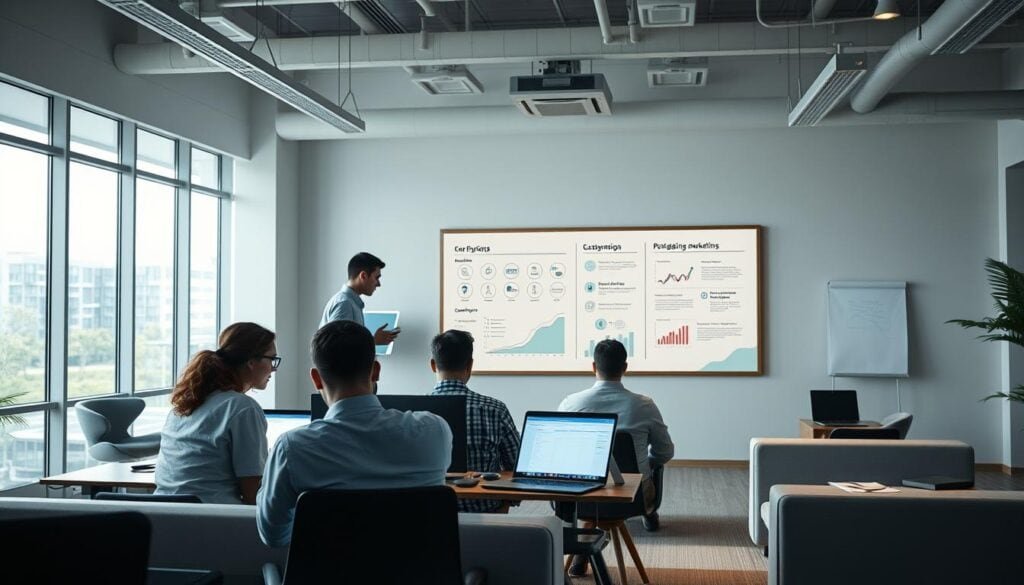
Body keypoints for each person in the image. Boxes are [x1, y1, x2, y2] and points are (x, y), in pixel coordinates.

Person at [257, 320, 451, 548]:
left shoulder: (292, 448)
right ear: (376, 371)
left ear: (316, 379)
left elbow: (273, 536)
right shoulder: (434, 430)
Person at [154, 322, 279, 504]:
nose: (274, 368)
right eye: (272, 359)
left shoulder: (184, 405)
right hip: (213, 516)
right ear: (251, 362)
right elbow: (253, 494)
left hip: (162, 514)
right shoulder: (243, 408)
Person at [559, 339, 674, 529]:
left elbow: (559, 453)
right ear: (625, 368)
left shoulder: (570, 404)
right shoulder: (644, 405)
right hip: (634, 497)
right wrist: (644, 464)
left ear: (593, 367)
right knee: (648, 474)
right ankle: (648, 513)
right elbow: (665, 451)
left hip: (581, 496)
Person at [428, 330, 520, 513]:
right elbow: (517, 466)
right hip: (488, 516)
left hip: (433, 517)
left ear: (433, 365)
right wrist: (506, 504)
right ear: (470, 365)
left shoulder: (415, 412)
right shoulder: (495, 409)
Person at [319, 252, 400, 346]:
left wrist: (373, 341)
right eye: (376, 278)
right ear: (363, 276)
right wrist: (373, 341)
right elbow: (337, 348)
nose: (379, 284)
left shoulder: (351, 303)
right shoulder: (345, 304)